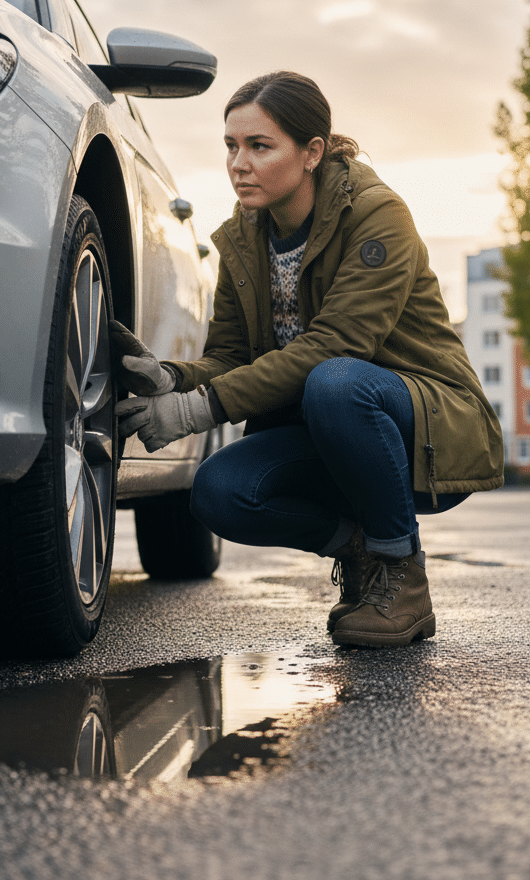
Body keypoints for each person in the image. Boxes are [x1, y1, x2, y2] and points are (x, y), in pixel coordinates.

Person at [113, 70, 504, 647]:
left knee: (336, 381)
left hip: (422, 423)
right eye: (231, 146)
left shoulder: (378, 216)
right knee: (218, 492)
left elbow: (338, 345)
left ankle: (403, 574)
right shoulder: (242, 239)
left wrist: (198, 410)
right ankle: (362, 551)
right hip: (325, 430)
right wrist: (172, 378)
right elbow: (229, 356)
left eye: (259, 146)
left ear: (312, 152)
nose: (238, 163)